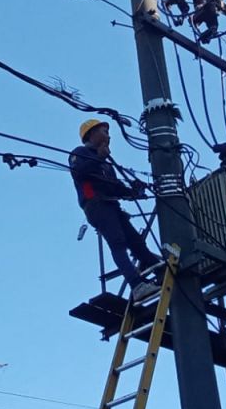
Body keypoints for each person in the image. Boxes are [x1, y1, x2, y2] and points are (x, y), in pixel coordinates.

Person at [70, 119, 163, 300]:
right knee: (117, 242)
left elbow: (115, 187)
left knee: (136, 241)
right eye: (104, 131)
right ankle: (137, 286)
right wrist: (99, 157)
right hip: (96, 205)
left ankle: (159, 269)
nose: (109, 136)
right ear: (91, 134)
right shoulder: (80, 153)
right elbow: (79, 172)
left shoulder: (106, 164)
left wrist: (133, 191)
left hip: (112, 205)